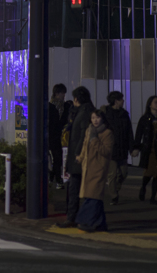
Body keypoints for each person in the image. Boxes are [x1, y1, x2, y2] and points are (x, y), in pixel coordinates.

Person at [59, 86, 95, 228]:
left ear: (76, 99)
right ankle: (75, 217)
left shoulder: (84, 113)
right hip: (79, 157)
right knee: (77, 189)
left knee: (77, 189)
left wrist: (78, 154)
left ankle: (75, 218)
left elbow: (83, 136)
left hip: (79, 158)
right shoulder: (84, 111)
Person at [74, 109, 114, 233]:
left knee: (92, 196)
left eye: (97, 117)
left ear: (102, 118)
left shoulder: (107, 133)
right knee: (94, 196)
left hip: (99, 168)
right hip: (87, 167)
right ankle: (100, 224)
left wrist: (94, 139)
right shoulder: (89, 130)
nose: (95, 120)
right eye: (93, 118)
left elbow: (106, 151)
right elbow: (85, 146)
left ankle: (85, 220)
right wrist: (80, 158)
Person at [102, 91, 134, 205]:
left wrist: (131, 148)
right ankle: (114, 196)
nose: (123, 101)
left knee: (124, 173)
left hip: (122, 148)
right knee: (112, 174)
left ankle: (115, 187)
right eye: (121, 99)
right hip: (111, 149)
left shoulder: (124, 114)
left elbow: (129, 132)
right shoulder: (106, 114)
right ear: (116, 101)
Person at [48, 83, 73, 187]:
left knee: (58, 158)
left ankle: (54, 178)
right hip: (51, 136)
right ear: (57, 93)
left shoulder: (66, 106)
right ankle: (57, 179)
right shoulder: (50, 106)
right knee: (56, 158)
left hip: (59, 136)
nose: (64, 95)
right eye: (62, 93)